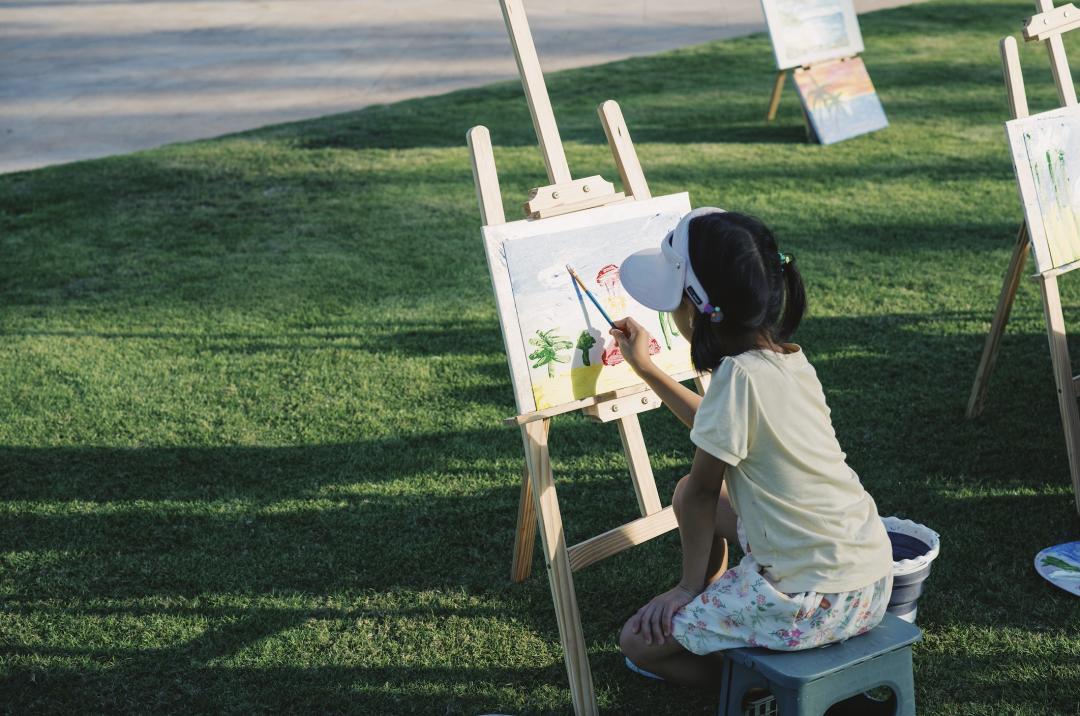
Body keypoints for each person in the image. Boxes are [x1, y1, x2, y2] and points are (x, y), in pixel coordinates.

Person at [612, 208, 894, 687]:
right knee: (682, 491)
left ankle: (754, 685)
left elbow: (705, 494)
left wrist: (684, 588)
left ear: (696, 309)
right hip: (869, 582)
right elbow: (715, 428)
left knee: (637, 644)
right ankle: (726, 603)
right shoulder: (785, 360)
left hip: (809, 601)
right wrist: (649, 371)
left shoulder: (735, 377)